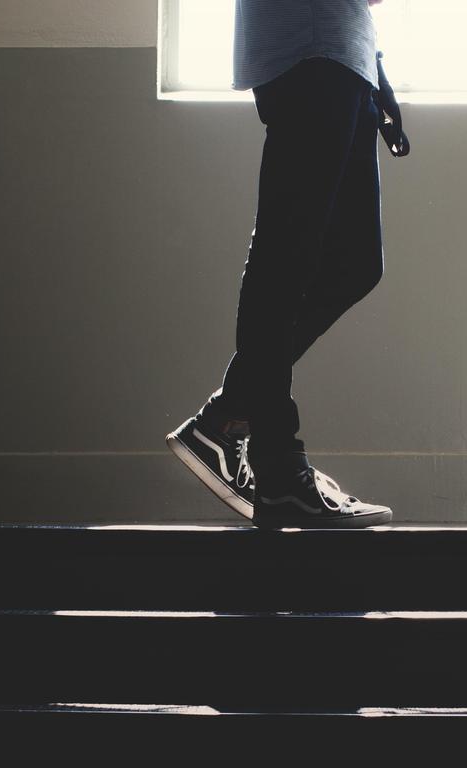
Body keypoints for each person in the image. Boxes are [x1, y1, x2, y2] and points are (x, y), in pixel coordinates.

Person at [167, 0, 409, 530]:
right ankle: (278, 468)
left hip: (344, 52)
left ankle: (228, 416)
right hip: (311, 48)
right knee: (286, 254)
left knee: (355, 264)